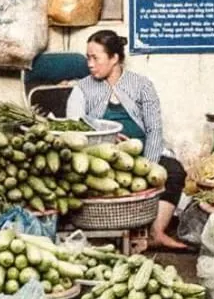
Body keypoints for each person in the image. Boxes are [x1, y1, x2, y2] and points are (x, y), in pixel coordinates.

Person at [66, 30, 189, 250]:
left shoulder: (141, 85)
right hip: (104, 158)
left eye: (96, 58)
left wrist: (148, 164)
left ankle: (157, 231)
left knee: (174, 170)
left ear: (114, 58)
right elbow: (75, 130)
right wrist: (106, 143)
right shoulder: (82, 89)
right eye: (88, 58)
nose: (90, 64)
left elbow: (154, 129)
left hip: (143, 155)